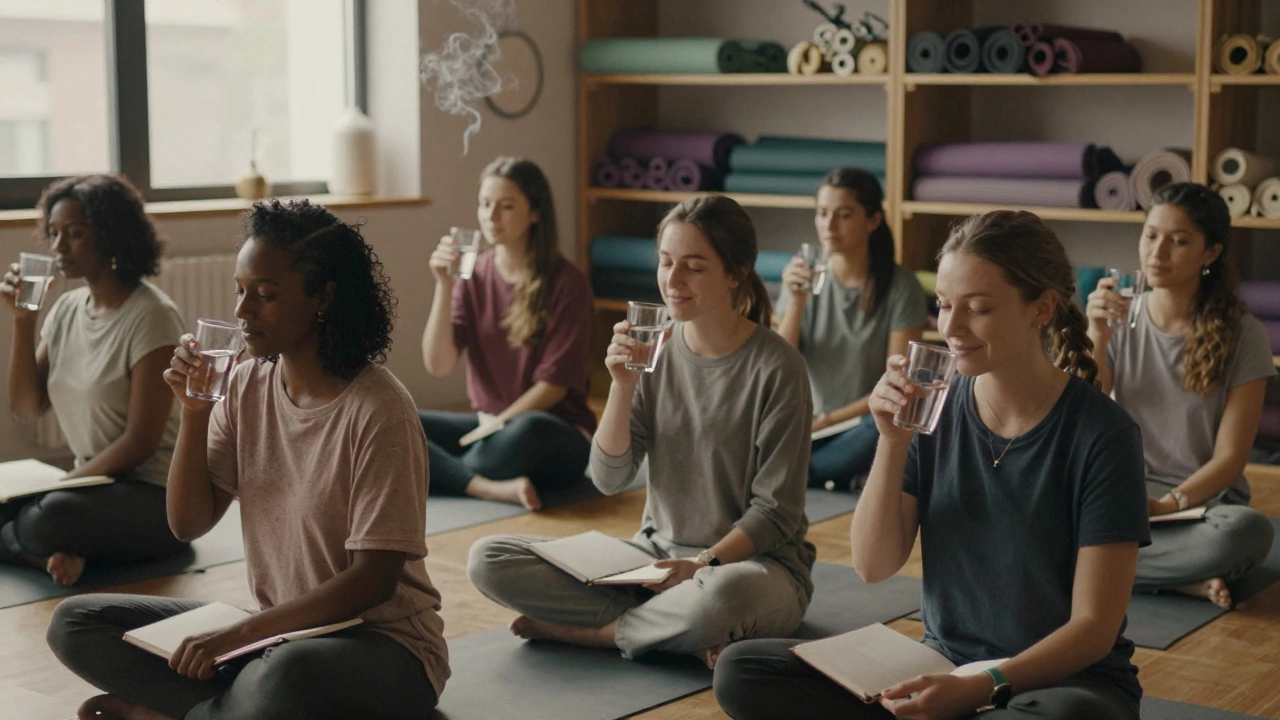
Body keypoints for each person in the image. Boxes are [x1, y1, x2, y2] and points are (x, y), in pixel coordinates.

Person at [715, 210, 1150, 720]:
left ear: (1042, 308)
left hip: (1059, 683)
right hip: (943, 665)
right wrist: (892, 441)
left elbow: (1094, 629)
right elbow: (873, 566)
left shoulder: (1105, 434)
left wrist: (983, 686)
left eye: (978, 308)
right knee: (744, 669)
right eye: (943, 305)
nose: (951, 327)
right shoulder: (935, 407)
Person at [47, 199, 447, 719]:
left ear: (323, 298)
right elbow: (187, 523)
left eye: (265, 295)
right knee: (77, 622)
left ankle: (174, 712)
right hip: (274, 634)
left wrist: (239, 634)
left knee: (282, 679)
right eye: (240, 291)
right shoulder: (245, 385)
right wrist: (194, 413)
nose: (242, 312)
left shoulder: (379, 411)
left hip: (383, 650)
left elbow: (373, 582)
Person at [467, 195, 815, 669]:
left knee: (719, 601)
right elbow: (608, 479)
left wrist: (702, 564)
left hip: (747, 568)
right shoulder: (655, 350)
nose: (672, 281)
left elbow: (776, 514)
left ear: (735, 274)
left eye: (693, 267)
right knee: (489, 558)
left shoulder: (777, 366)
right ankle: (671, 630)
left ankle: (597, 634)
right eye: (666, 262)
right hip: (651, 560)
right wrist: (622, 386)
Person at [1087, 182, 1275, 609]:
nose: (1158, 252)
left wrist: (1169, 505)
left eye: (1179, 241)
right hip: (1126, 489)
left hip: (1202, 504)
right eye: (1151, 235)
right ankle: (1179, 580)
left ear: (1210, 253)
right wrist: (1095, 335)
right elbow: (1083, 414)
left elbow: (1230, 459)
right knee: (1032, 507)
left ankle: (1092, 567)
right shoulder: (1119, 315)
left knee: (1247, 534)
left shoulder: (1246, 335)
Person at [1, 174, 186, 586]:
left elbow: (141, 442)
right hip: (93, 489)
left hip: (152, 498)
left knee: (50, 514)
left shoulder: (151, 316)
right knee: (36, 510)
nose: (58, 247)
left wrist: (60, 485)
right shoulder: (66, 310)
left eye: (75, 233)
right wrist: (23, 322)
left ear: (111, 236)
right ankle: (67, 555)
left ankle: (48, 549)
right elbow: (27, 408)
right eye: (52, 233)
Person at [420, 157, 595, 509]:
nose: (490, 216)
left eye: (506, 206)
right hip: (491, 429)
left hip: (550, 432)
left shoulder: (568, 282)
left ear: (535, 213)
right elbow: (438, 365)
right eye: (485, 205)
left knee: (525, 432)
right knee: (402, 422)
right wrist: (443, 285)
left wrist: (494, 428)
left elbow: (553, 387)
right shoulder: (473, 275)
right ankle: (486, 484)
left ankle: (441, 473)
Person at [777, 168, 927, 491]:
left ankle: (795, 474)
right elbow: (779, 364)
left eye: (843, 215)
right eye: (821, 213)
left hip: (860, 425)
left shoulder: (901, 287)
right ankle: (816, 473)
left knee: (890, 424)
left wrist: (832, 419)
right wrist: (796, 302)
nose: (829, 226)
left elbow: (899, 384)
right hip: (806, 426)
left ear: (872, 221)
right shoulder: (803, 278)